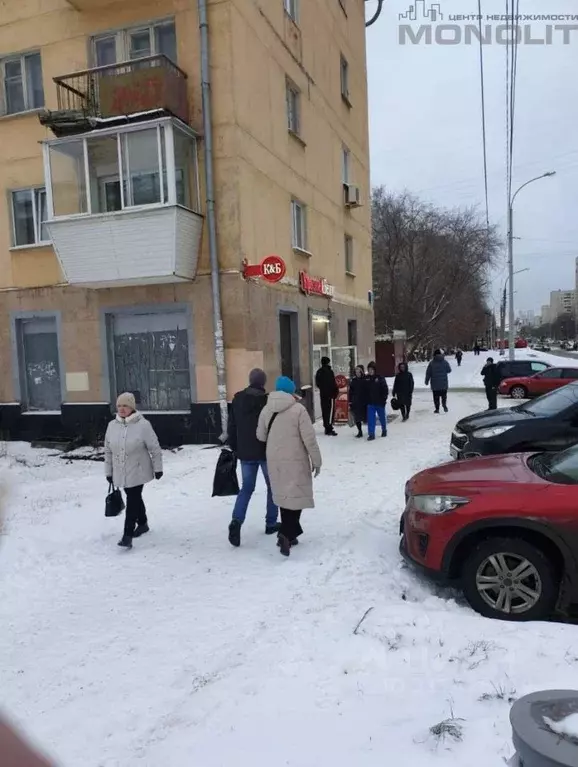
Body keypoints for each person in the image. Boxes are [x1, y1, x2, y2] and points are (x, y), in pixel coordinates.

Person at [256, 376, 322, 557]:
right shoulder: (298, 409)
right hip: (296, 459)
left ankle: (288, 535)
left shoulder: (266, 409)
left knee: (284, 497)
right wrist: (317, 461)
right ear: (291, 391)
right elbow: (309, 439)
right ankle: (287, 534)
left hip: (274, 459)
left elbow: (260, 435)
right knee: (296, 495)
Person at [105, 392, 163, 549]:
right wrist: (108, 472)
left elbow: (155, 448)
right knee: (133, 496)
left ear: (132, 407)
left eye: (125, 406)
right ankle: (143, 523)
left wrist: (158, 468)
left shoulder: (143, 425)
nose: (122, 409)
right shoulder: (112, 426)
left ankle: (127, 535)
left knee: (132, 499)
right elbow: (108, 451)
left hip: (138, 470)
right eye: (119, 406)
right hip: (120, 470)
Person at [227, 368, 278, 547]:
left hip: (245, 452)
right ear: (263, 383)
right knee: (273, 487)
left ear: (250, 380)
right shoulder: (267, 401)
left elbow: (231, 426)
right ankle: (271, 523)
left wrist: (235, 447)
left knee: (246, 488)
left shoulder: (238, 399)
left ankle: (236, 521)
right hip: (265, 451)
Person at [315, 356, 338, 436]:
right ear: (328, 362)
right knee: (330, 411)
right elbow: (333, 383)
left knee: (325, 411)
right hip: (330, 395)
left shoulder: (319, 372)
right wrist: (335, 392)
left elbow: (317, 383)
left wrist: (322, 389)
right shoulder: (329, 371)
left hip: (323, 395)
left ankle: (326, 427)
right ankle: (329, 427)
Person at [366, 361, 388, 440]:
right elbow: (364, 390)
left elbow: (385, 390)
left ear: (375, 370)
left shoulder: (380, 378)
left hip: (379, 402)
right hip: (370, 402)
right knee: (371, 419)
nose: (370, 371)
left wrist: (383, 400)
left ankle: (384, 429)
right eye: (369, 369)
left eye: (372, 369)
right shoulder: (367, 378)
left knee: (382, 417)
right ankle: (371, 434)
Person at [425, 349, 452, 413]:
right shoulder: (445, 362)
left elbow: (428, 373)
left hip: (435, 384)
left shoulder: (431, 363)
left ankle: (437, 409)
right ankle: (444, 405)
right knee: (444, 396)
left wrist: (426, 380)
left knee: (436, 397)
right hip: (443, 383)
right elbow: (449, 370)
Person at [348, 364, 367, 438]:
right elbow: (351, 392)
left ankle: (371, 430)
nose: (357, 373)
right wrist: (350, 401)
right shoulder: (354, 381)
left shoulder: (365, 380)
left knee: (365, 416)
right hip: (356, 401)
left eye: (359, 372)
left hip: (364, 401)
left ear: (361, 372)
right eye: (356, 372)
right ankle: (360, 431)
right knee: (357, 418)